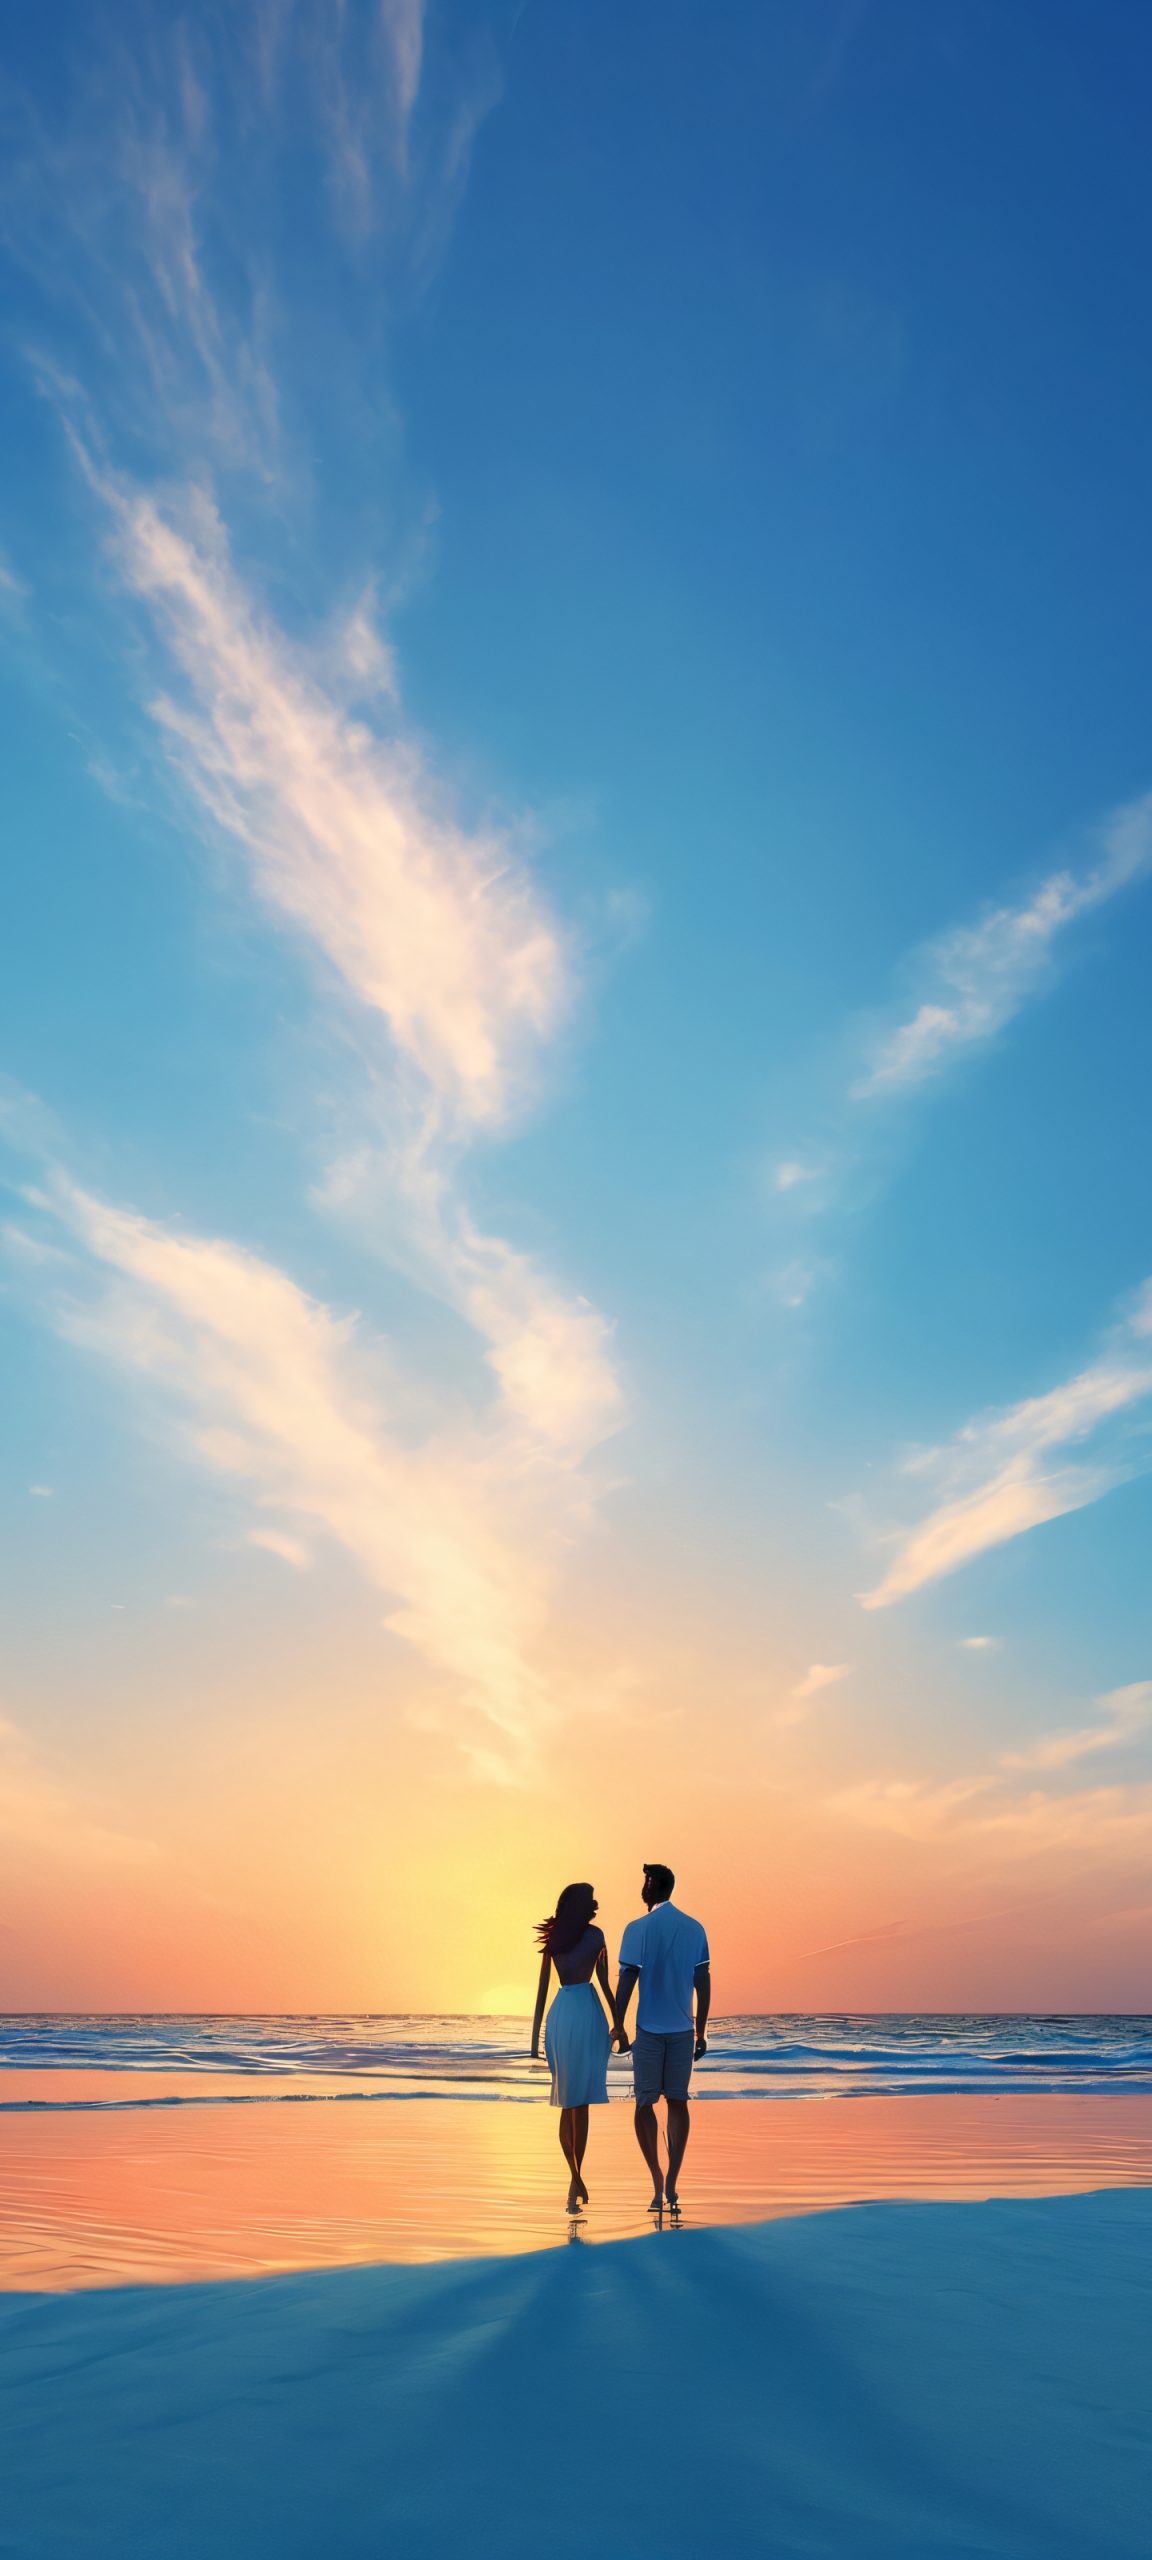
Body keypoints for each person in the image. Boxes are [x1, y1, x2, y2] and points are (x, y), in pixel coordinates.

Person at [615, 1862, 710, 2215]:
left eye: (646, 1881)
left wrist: (618, 2024)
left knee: (645, 2104)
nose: (643, 1886)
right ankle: (669, 2180)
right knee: (677, 2102)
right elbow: (704, 1981)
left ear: (656, 1885)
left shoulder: (636, 1929)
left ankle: (659, 2178)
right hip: (683, 2031)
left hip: (651, 2032)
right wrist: (702, 2030)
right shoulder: (694, 1927)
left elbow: (627, 1980)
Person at [530, 1882, 623, 2213]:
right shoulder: (578, 1937)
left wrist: (619, 2024)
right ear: (580, 1905)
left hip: (570, 2014)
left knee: (574, 2101)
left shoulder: (587, 1937)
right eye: (591, 1899)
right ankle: (575, 2175)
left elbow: (604, 1982)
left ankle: (574, 2178)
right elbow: (545, 1989)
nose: (596, 1904)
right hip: (580, 2010)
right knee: (571, 2101)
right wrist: (532, 2041)